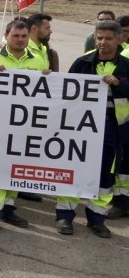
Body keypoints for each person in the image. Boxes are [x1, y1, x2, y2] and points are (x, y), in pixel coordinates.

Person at [55, 20, 128, 238]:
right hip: (80, 129)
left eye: (108, 38)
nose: (103, 42)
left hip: (113, 130)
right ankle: (64, 217)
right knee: (72, 170)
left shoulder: (126, 66)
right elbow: (65, 92)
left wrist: (120, 85)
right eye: (99, 38)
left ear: (119, 39)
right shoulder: (82, 63)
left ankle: (97, 219)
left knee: (105, 174)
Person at [0, 19, 48, 233]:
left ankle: (8, 207)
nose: (20, 40)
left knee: (15, 168)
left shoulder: (38, 60)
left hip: (23, 126)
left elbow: (45, 94)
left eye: (24, 36)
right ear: (6, 37)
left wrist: (48, 78)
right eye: (15, 36)